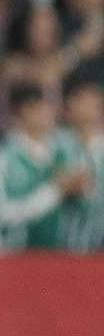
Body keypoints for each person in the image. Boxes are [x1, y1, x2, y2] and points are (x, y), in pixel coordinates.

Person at [0, 81, 91, 253]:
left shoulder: (67, 145)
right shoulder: (2, 156)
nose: (46, 112)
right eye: (37, 108)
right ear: (19, 114)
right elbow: (1, 211)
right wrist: (54, 191)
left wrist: (80, 186)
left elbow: (87, 194)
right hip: (14, 255)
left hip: (60, 255)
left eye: (47, 105)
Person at [60, 79, 104, 251]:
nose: (89, 106)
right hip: (62, 242)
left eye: (94, 101)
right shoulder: (57, 145)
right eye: (81, 100)